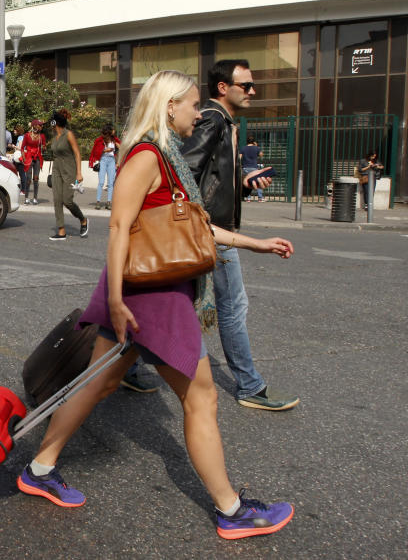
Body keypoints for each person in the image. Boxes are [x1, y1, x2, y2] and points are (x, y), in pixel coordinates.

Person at [17, 70, 296, 540]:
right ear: (169, 107)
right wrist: (115, 301)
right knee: (201, 397)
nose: (197, 111)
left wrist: (256, 243)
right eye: (191, 104)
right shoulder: (147, 156)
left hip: (142, 292)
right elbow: (119, 228)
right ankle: (231, 510)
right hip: (150, 297)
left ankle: (40, 470)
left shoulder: (170, 160)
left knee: (95, 386)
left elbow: (191, 229)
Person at [180, 60, 299, 411]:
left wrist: (244, 185)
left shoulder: (225, 122)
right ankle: (249, 386)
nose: (252, 91)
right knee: (232, 307)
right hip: (214, 233)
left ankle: (133, 365)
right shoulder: (215, 120)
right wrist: (202, 222)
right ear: (223, 88)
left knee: (178, 302)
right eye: (245, 85)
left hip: (212, 229)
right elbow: (187, 174)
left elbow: (210, 180)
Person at [47, 109, 87, 241]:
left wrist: (79, 173)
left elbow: (77, 153)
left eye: (52, 121)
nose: (50, 124)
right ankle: (61, 230)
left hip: (69, 170)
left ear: (55, 122)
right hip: (56, 170)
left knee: (67, 200)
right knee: (57, 200)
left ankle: (83, 219)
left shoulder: (68, 134)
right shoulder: (55, 137)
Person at [89, 123, 120, 210]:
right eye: (112, 129)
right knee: (101, 182)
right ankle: (98, 201)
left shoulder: (115, 140)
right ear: (109, 131)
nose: (114, 131)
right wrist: (106, 150)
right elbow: (96, 152)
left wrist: (117, 162)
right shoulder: (100, 140)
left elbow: (121, 149)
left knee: (111, 183)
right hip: (103, 160)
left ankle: (109, 202)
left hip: (112, 161)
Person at [21, 120, 46, 205]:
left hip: (38, 158)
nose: (41, 127)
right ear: (34, 126)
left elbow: (44, 147)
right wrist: (24, 159)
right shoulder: (27, 135)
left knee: (36, 178)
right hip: (28, 158)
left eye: (41, 126)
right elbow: (22, 148)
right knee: (28, 179)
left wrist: (44, 148)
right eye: (40, 125)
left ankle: (35, 198)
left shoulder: (42, 136)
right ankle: (26, 198)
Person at [240, 136, 265, 202]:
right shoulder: (256, 148)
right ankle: (260, 198)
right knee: (257, 182)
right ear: (253, 142)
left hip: (245, 167)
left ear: (247, 141)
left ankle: (248, 198)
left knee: (247, 182)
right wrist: (257, 146)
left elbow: (239, 158)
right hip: (254, 167)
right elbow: (261, 155)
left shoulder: (243, 148)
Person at [11, 124, 28, 199]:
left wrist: (14, 146)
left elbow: (20, 148)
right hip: (21, 157)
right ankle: (21, 189)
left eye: (15, 130)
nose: (14, 131)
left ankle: (23, 190)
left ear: (18, 130)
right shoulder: (24, 137)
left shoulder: (20, 137)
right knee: (17, 172)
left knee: (21, 173)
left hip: (19, 158)